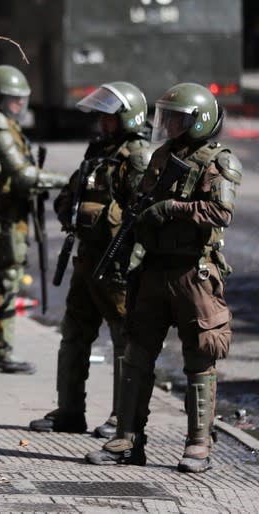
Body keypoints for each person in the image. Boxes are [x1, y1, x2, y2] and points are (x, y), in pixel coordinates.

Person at [86, 82, 241, 473]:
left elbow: (221, 212)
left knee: (199, 358)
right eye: (166, 118)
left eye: (177, 120)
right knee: (136, 355)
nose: (168, 126)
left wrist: (172, 208)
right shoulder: (160, 155)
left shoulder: (218, 161)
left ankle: (198, 446)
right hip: (153, 270)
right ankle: (127, 440)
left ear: (199, 122)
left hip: (193, 272)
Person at [29, 82, 151, 437]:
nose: (101, 122)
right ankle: (69, 410)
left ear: (127, 118)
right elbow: (72, 192)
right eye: (99, 116)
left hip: (117, 265)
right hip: (87, 259)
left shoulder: (137, 157)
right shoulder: (98, 151)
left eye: (108, 117)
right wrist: (71, 209)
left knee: (123, 342)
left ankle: (121, 417)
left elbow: (141, 214)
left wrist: (131, 260)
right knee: (74, 335)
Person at [0, 64, 67, 374]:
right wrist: (66, 181)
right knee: (5, 282)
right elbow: (20, 174)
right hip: (4, 219)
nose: (19, 105)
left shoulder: (5, 123)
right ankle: (1, 350)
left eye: (21, 99)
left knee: (6, 281)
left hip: (10, 216)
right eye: (12, 99)